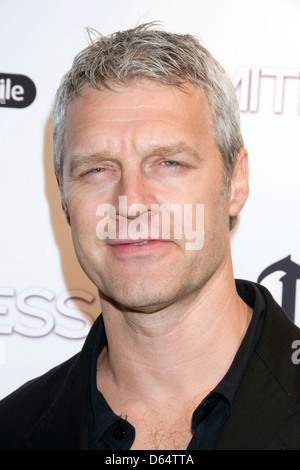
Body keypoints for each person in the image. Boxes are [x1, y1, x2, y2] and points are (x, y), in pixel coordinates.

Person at [0, 23, 300, 451]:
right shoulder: (13, 430)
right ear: (65, 199)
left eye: (169, 163)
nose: (131, 202)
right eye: (97, 169)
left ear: (235, 181)